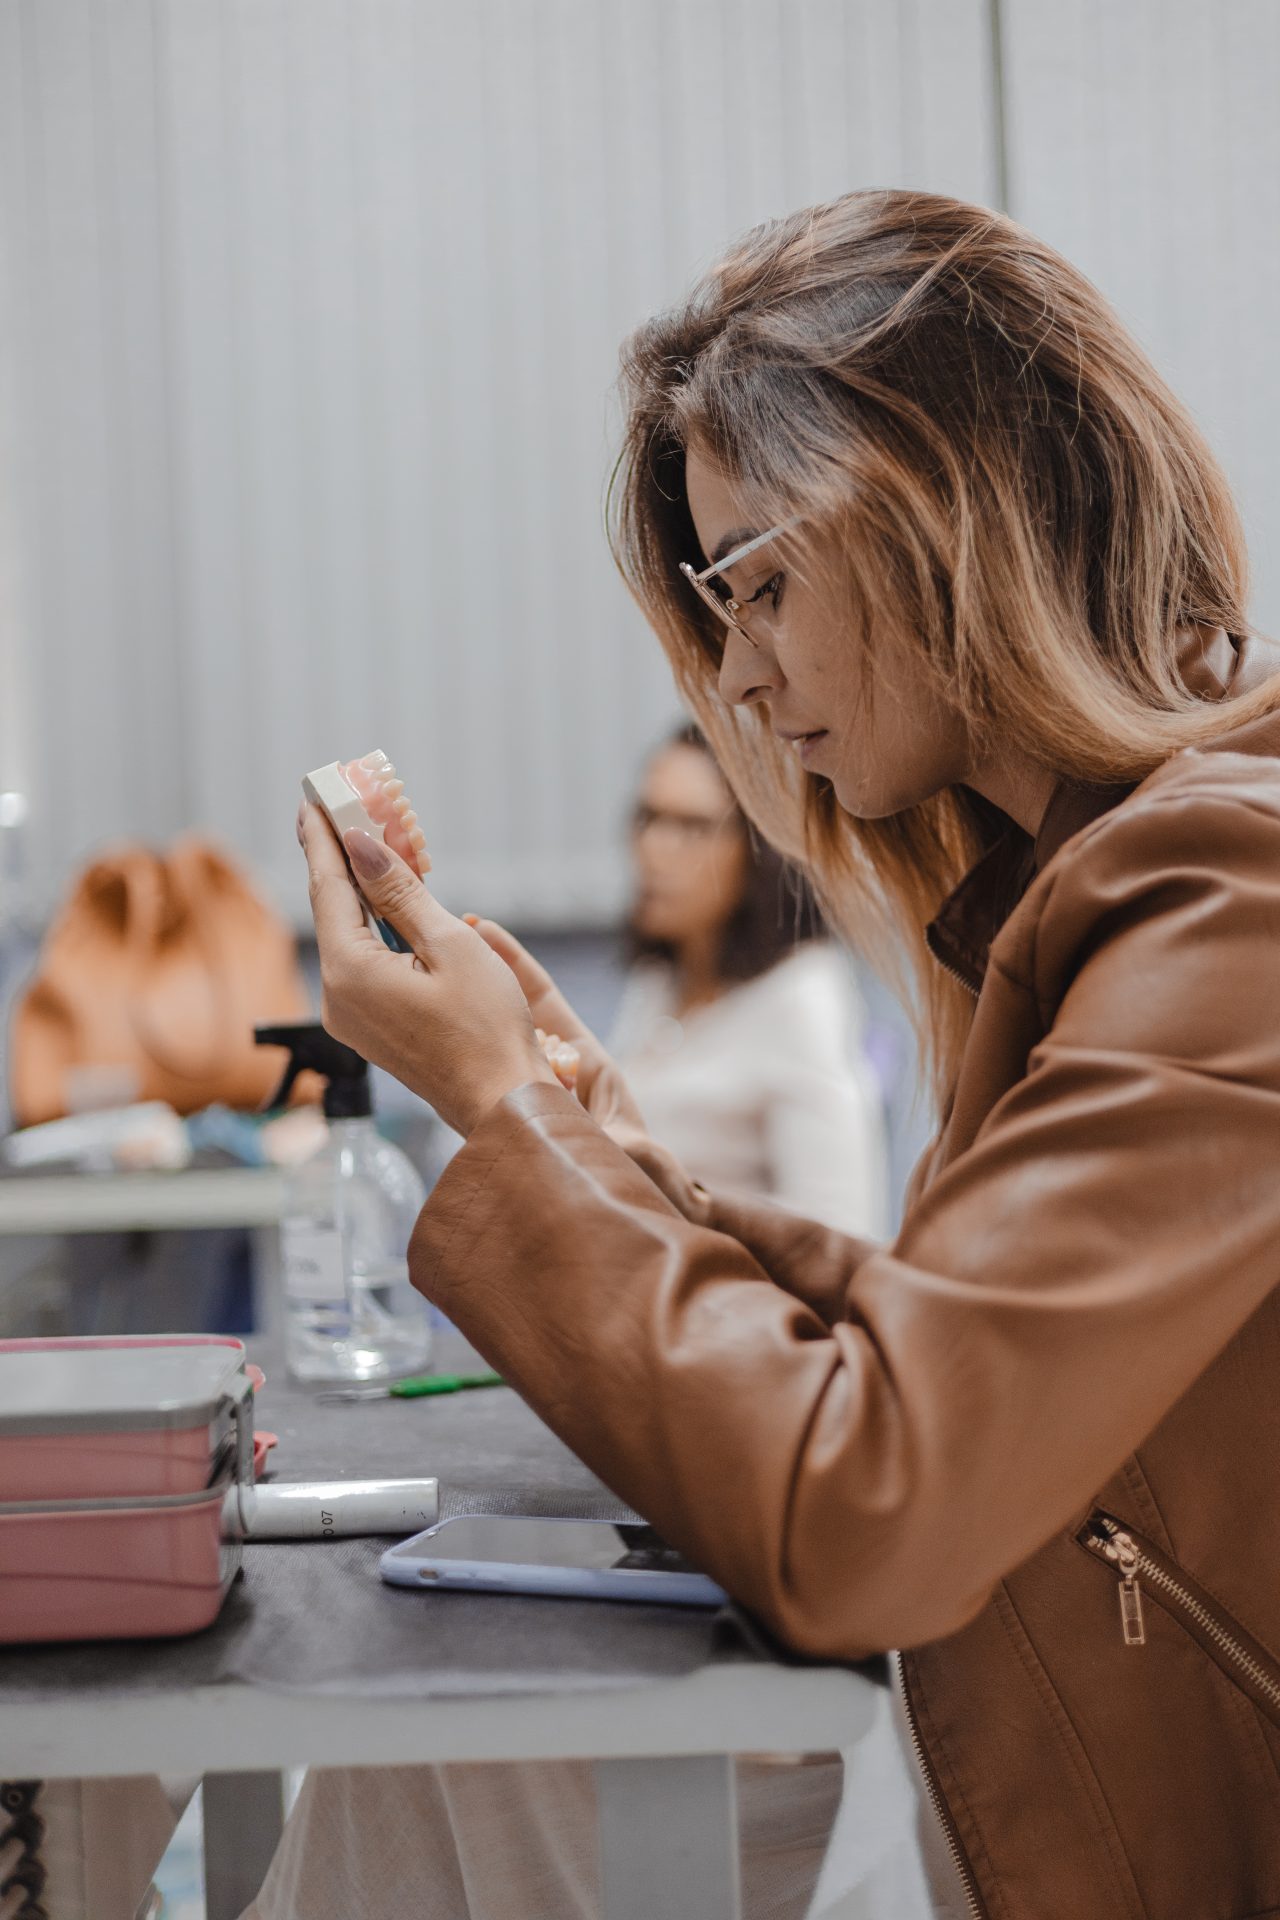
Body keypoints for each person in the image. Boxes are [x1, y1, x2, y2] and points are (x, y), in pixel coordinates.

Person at [286, 187, 1280, 1918]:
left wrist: (506, 1109)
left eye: (757, 588)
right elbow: (944, 1357)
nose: (738, 677)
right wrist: (595, 1151)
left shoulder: (1228, 899)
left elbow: (872, 1502)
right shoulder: (1101, 889)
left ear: (945, 520)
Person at [610, 721, 887, 1238]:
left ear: (763, 846)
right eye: (647, 818)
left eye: (691, 827)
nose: (654, 849)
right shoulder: (660, 978)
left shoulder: (801, 996)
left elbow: (843, 1233)